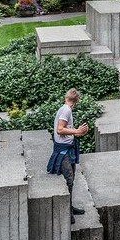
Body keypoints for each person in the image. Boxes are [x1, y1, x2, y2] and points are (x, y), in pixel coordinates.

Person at [46, 88, 89, 224]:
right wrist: (77, 131)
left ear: (66, 98)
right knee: (69, 180)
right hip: (63, 151)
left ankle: (70, 208)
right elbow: (60, 129)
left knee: (72, 178)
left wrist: (77, 132)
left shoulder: (65, 108)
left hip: (68, 148)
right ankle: (67, 212)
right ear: (77, 100)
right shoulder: (66, 110)